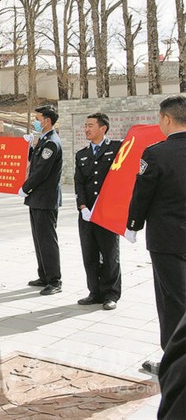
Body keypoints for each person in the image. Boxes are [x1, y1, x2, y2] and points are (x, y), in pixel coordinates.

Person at [127, 95, 186, 377]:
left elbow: (143, 194)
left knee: (173, 302)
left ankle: (174, 365)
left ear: (166, 118)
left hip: (168, 239)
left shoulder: (156, 153)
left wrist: (133, 224)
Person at [74, 112, 122, 310]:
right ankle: (94, 292)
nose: (86, 129)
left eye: (90, 125)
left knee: (110, 255)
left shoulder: (117, 149)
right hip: (87, 213)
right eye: (85, 125)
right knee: (89, 254)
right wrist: (83, 207)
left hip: (108, 213)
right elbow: (79, 183)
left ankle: (111, 294)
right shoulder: (81, 154)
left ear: (103, 128)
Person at [19, 105, 63, 296]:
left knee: (47, 240)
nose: (35, 122)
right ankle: (44, 275)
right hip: (37, 198)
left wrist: (25, 187)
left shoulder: (51, 143)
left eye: (37, 119)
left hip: (45, 199)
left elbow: (41, 172)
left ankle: (55, 280)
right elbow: (35, 161)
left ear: (47, 121)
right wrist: (29, 146)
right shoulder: (43, 140)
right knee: (38, 239)